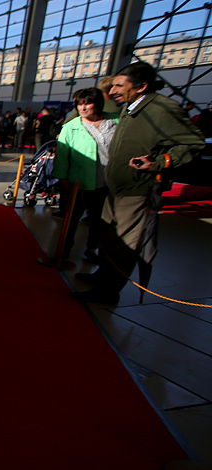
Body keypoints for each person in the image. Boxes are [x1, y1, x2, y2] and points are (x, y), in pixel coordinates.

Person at [71, 62, 205, 305]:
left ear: (141, 86)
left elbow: (194, 142)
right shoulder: (132, 107)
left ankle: (108, 293)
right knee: (111, 239)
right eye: (112, 86)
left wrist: (161, 161)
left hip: (137, 190)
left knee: (124, 244)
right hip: (116, 188)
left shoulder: (162, 109)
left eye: (119, 86)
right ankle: (103, 277)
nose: (112, 92)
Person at [52, 87, 118, 262]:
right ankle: (64, 248)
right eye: (79, 104)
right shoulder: (71, 127)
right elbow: (62, 155)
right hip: (77, 183)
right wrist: (62, 178)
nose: (83, 108)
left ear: (98, 104)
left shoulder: (115, 123)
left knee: (99, 220)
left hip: (105, 181)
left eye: (87, 103)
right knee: (71, 217)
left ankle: (91, 249)